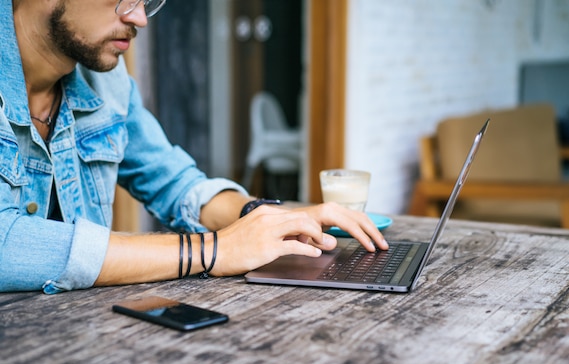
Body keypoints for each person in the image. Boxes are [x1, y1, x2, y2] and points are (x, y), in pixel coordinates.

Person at [0, 0, 388, 294]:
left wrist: (270, 219)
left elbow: (173, 182)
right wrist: (211, 251)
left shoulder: (107, 81)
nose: (139, 18)